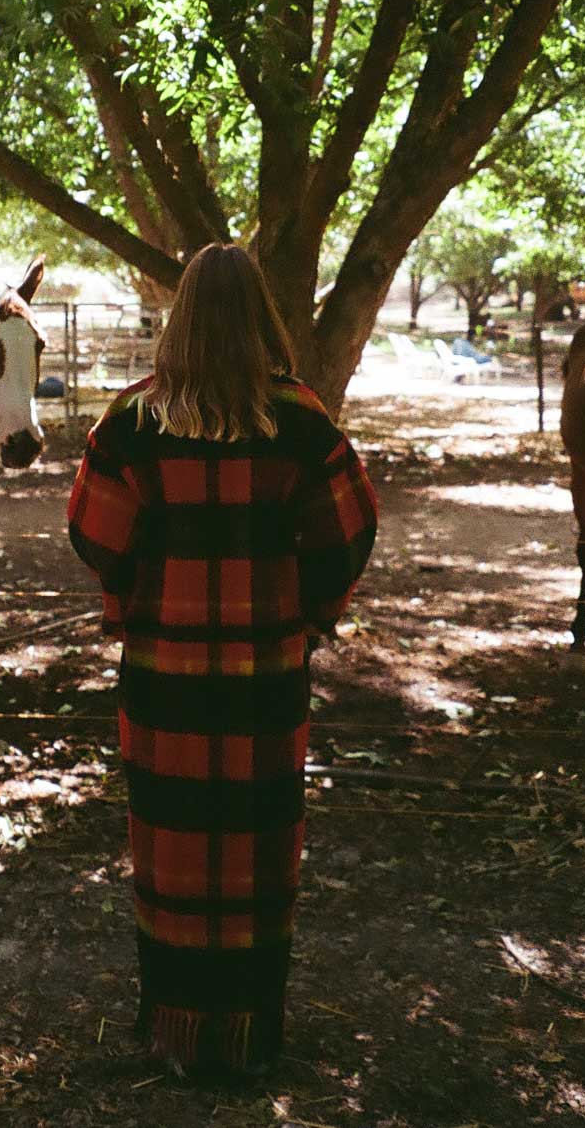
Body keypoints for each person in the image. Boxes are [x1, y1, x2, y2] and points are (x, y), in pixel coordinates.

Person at [68, 243, 377, 1082]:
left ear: (181, 320)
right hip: (265, 682)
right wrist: (308, 618)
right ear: (262, 319)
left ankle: (173, 1031)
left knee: (169, 846)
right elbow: (349, 536)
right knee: (256, 849)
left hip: (163, 681)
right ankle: (247, 1036)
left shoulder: (128, 422)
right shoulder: (304, 421)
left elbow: (94, 536)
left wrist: (134, 600)